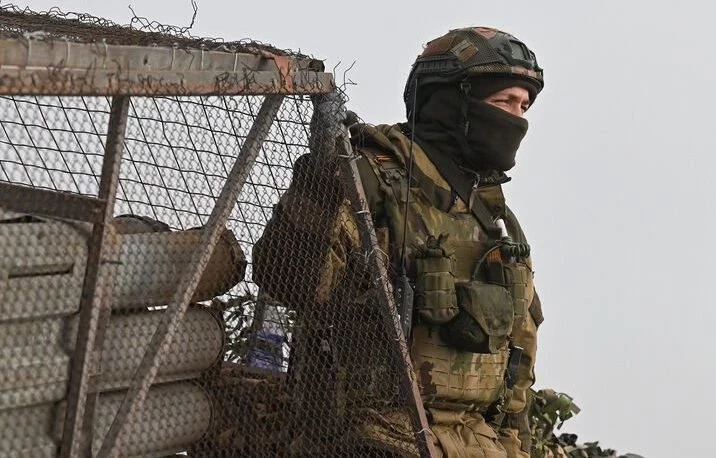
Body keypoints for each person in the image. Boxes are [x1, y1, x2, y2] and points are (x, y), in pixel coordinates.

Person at [253, 26, 546, 458]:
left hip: (476, 446)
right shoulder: (369, 178)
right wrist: (321, 177)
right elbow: (288, 280)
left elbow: (517, 365)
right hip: (370, 440)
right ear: (448, 101)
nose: (516, 119)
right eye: (503, 102)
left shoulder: (498, 223)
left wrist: (516, 449)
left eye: (524, 106)